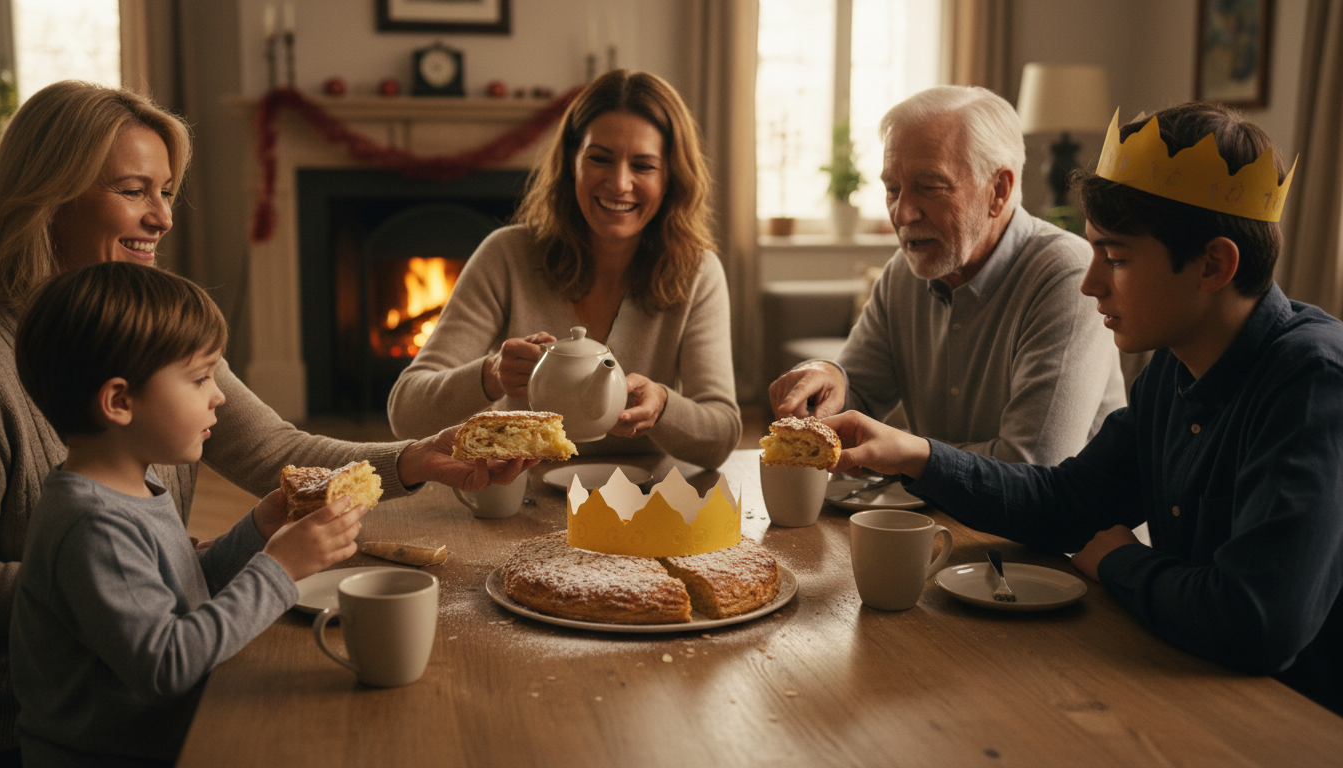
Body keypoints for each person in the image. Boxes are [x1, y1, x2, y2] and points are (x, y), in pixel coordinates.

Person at [0, 81, 531, 756]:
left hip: (165, 689)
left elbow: (277, 448)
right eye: (134, 190)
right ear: (50, 196)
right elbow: (137, 623)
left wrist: (417, 457)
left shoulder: (151, 333)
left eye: (166, 191)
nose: (163, 218)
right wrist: (139, 575)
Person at [825, 102, 1342, 714]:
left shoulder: (1312, 383)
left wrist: (1121, 560)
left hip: (1292, 721)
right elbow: (1064, 502)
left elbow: (1256, 620)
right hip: (1186, 679)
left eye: (1116, 258)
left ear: (1214, 264)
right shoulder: (1176, 367)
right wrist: (915, 455)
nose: (1091, 282)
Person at [10, 262, 370, 765]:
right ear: (119, 401)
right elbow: (167, 664)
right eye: (200, 378)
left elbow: (176, 592)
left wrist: (256, 531)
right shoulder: (93, 526)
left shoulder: (131, 486)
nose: (218, 394)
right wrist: (279, 569)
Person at [387, 69, 741, 469]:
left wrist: (663, 406)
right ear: (572, 162)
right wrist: (491, 375)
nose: (619, 183)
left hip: (641, 499)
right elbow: (405, 411)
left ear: (670, 178)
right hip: (518, 491)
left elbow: (721, 435)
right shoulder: (507, 255)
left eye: (643, 166)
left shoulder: (697, 272)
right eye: (599, 159)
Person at [769, 85, 1125, 465]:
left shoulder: (1066, 276)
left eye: (929, 187)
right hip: (937, 517)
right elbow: (857, 398)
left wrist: (906, 454)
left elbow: (1033, 463)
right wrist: (825, 378)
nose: (902, 214)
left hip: (1066, 525)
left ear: (998, 191)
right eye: (893, 189)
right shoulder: (902, 277)